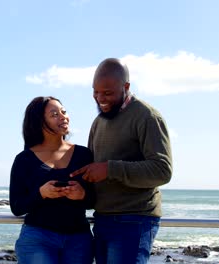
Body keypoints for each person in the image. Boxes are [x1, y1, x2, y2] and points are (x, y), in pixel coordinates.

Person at [70, 58, 173, 264]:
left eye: (107, 93)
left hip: (134, 220)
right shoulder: (98, 122)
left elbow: (162, 170)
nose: (100, 99)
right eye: (95, 92)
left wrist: (110, 169)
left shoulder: (147, 116)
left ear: (126, 87)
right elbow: (94, 169)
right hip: (102, 218)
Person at [9, 96, 94, 264]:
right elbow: (17, 206)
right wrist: (41, 193)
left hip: (79, 239)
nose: (63, 117)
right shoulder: (24, 159)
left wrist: (82, 194)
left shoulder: (84, 154)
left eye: (63, 111)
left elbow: (96, 200)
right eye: (54, 114)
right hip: (37, 238)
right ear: (39, 121)